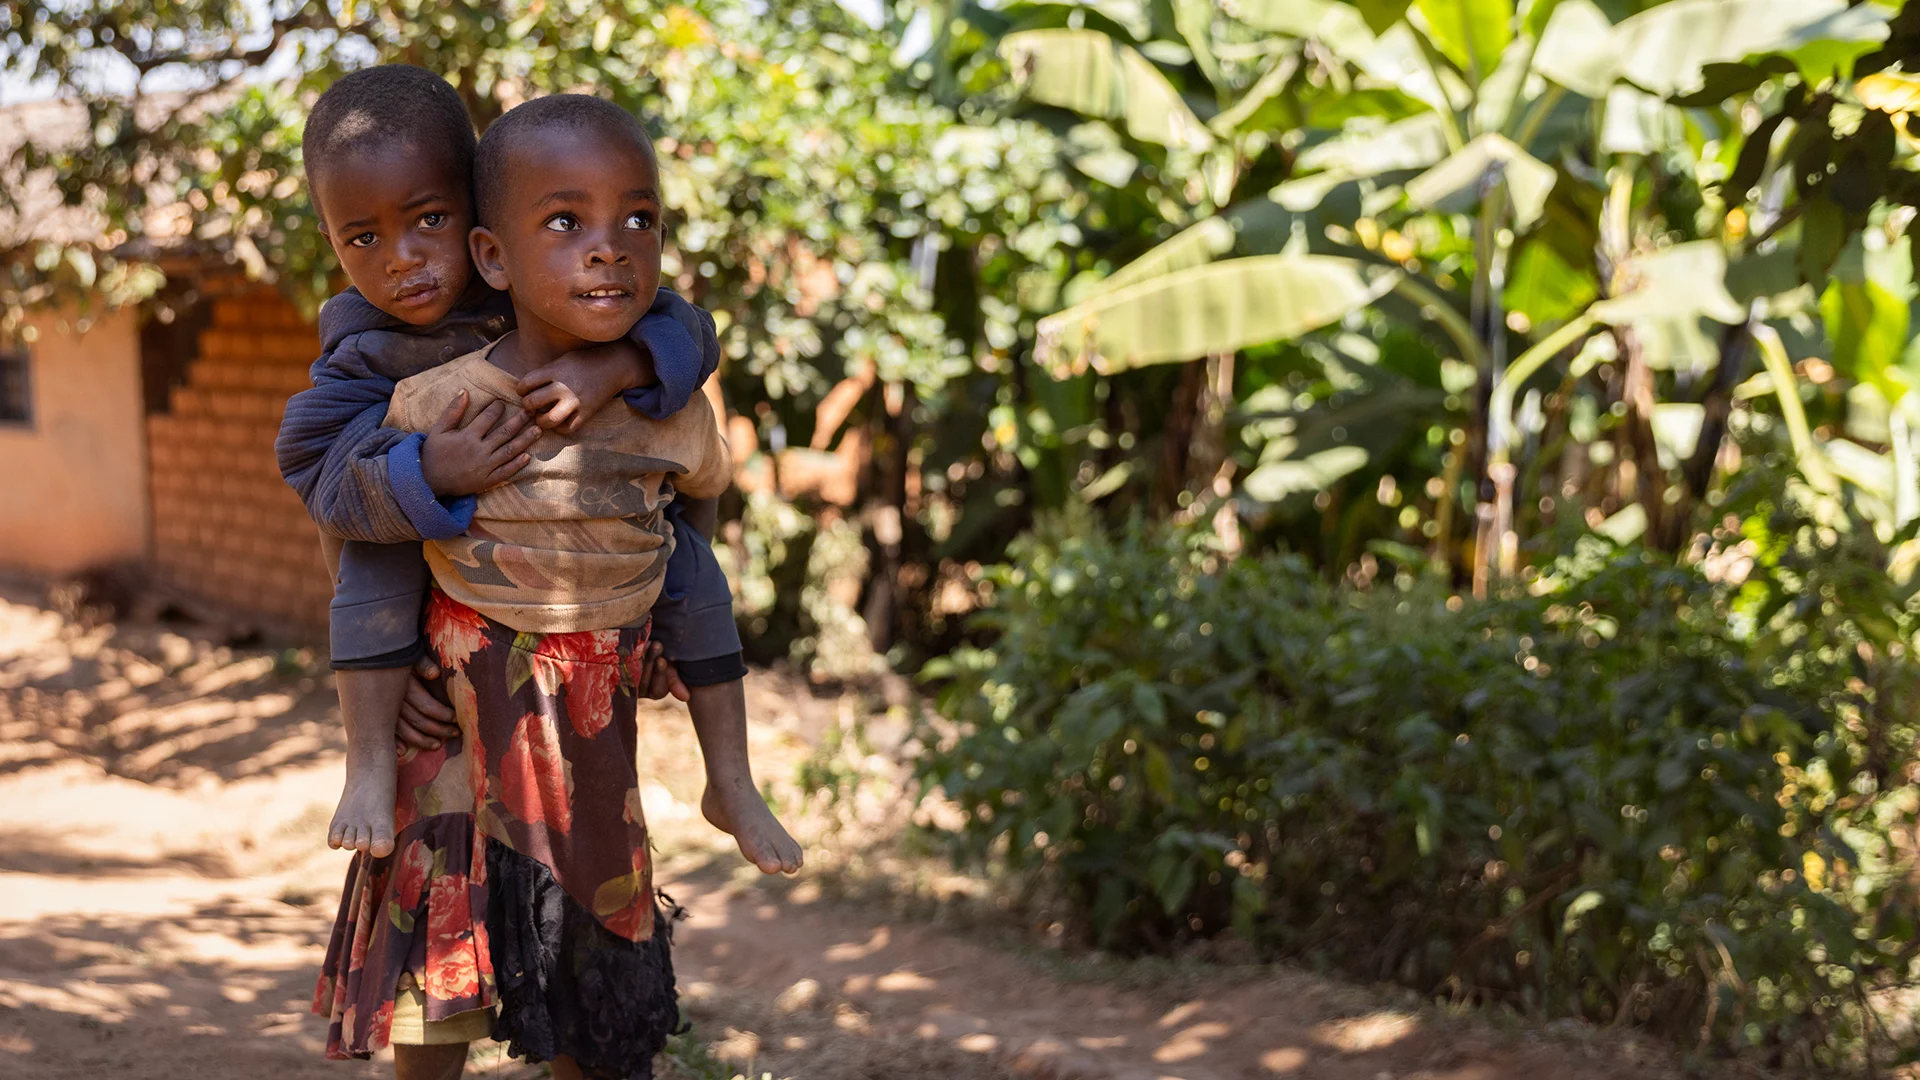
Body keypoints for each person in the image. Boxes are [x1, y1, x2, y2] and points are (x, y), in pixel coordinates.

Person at [281, 69, 799, 1078]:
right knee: (439, 922)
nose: (405, 261)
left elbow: (686, 331)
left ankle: (722, 789)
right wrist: (430, 472)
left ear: (477, 224)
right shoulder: (369, 354)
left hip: (577, 666)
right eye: (365, 240)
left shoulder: (553, 278)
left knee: (584, 928)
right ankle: (373, 756)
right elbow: (320, 481)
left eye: (428, 219)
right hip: (438, 654)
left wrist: (611, 370)